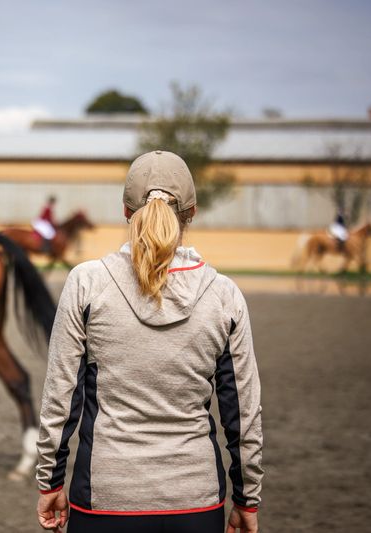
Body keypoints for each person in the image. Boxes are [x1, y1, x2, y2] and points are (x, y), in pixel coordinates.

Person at [35, 150, 263, 533]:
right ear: (191, 213)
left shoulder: (87, 283)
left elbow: (61, 395)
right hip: (196, 502)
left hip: (104, 500)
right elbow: (242, 412)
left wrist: (50, 481)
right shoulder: (224, 295)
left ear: (126, 211)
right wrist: (247, 498)